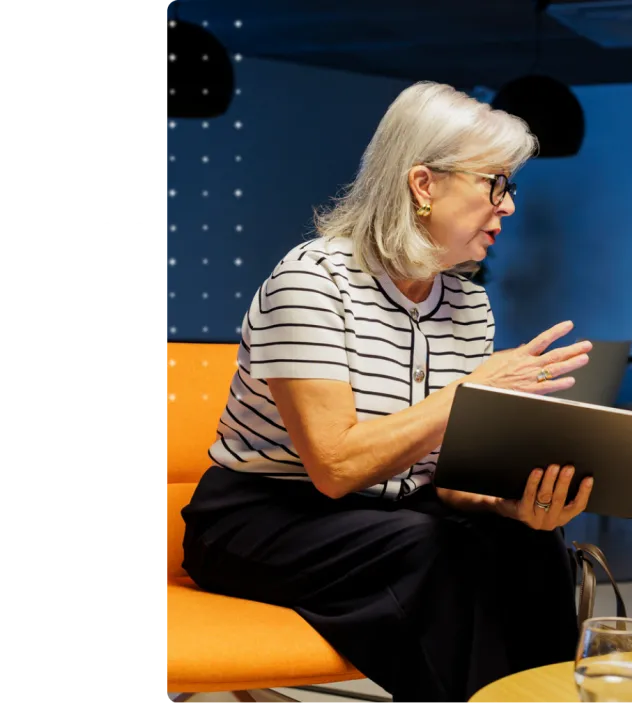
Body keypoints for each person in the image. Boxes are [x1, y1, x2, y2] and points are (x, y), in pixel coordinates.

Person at [180, 81, 596, 703]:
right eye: (495, 184)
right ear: (424, 185)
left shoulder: (467, 302)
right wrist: (466, 393)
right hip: (262, 517)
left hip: (392, 514)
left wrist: (511, 506)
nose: (508, 206)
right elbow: (336, 467)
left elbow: (445, 478)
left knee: (528, 545)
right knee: (430, 549)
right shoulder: (312, 282)